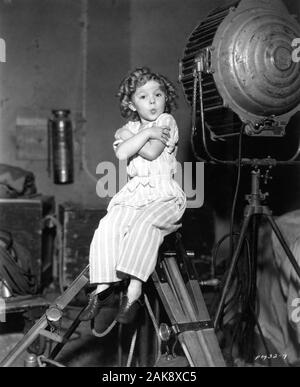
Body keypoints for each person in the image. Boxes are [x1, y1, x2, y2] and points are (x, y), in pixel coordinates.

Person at [80, 67, 186, 324]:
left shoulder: (165, 122)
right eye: (143, 96)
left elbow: (150, 152)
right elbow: (121, 153)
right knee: (109, 225)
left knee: (145, 225)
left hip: (164, 195)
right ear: (131, 103)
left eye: (158, 94)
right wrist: (142, 134)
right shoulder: (130, 126)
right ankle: (103, 288)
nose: (152, 101)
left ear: (165, 98)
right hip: (135, 193)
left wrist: (143, 134)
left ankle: (134, 290)